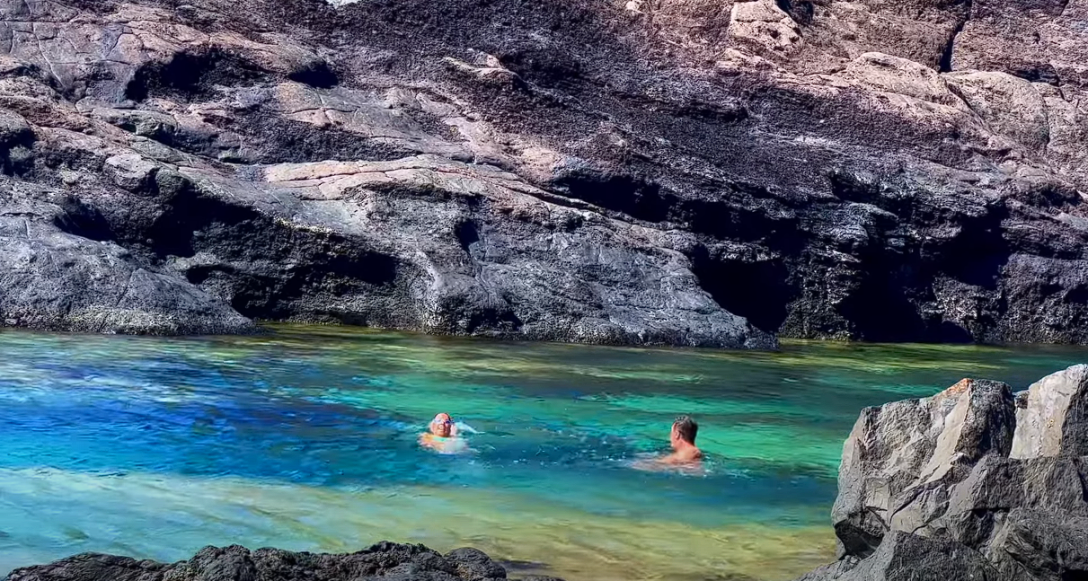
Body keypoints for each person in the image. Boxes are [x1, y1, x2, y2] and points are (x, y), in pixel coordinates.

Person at [631, 415, 703, 471]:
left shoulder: (685, 454)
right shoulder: (693, 452)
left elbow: (654, 465)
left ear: (677, 434)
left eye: (671, 433)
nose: (670, 437)